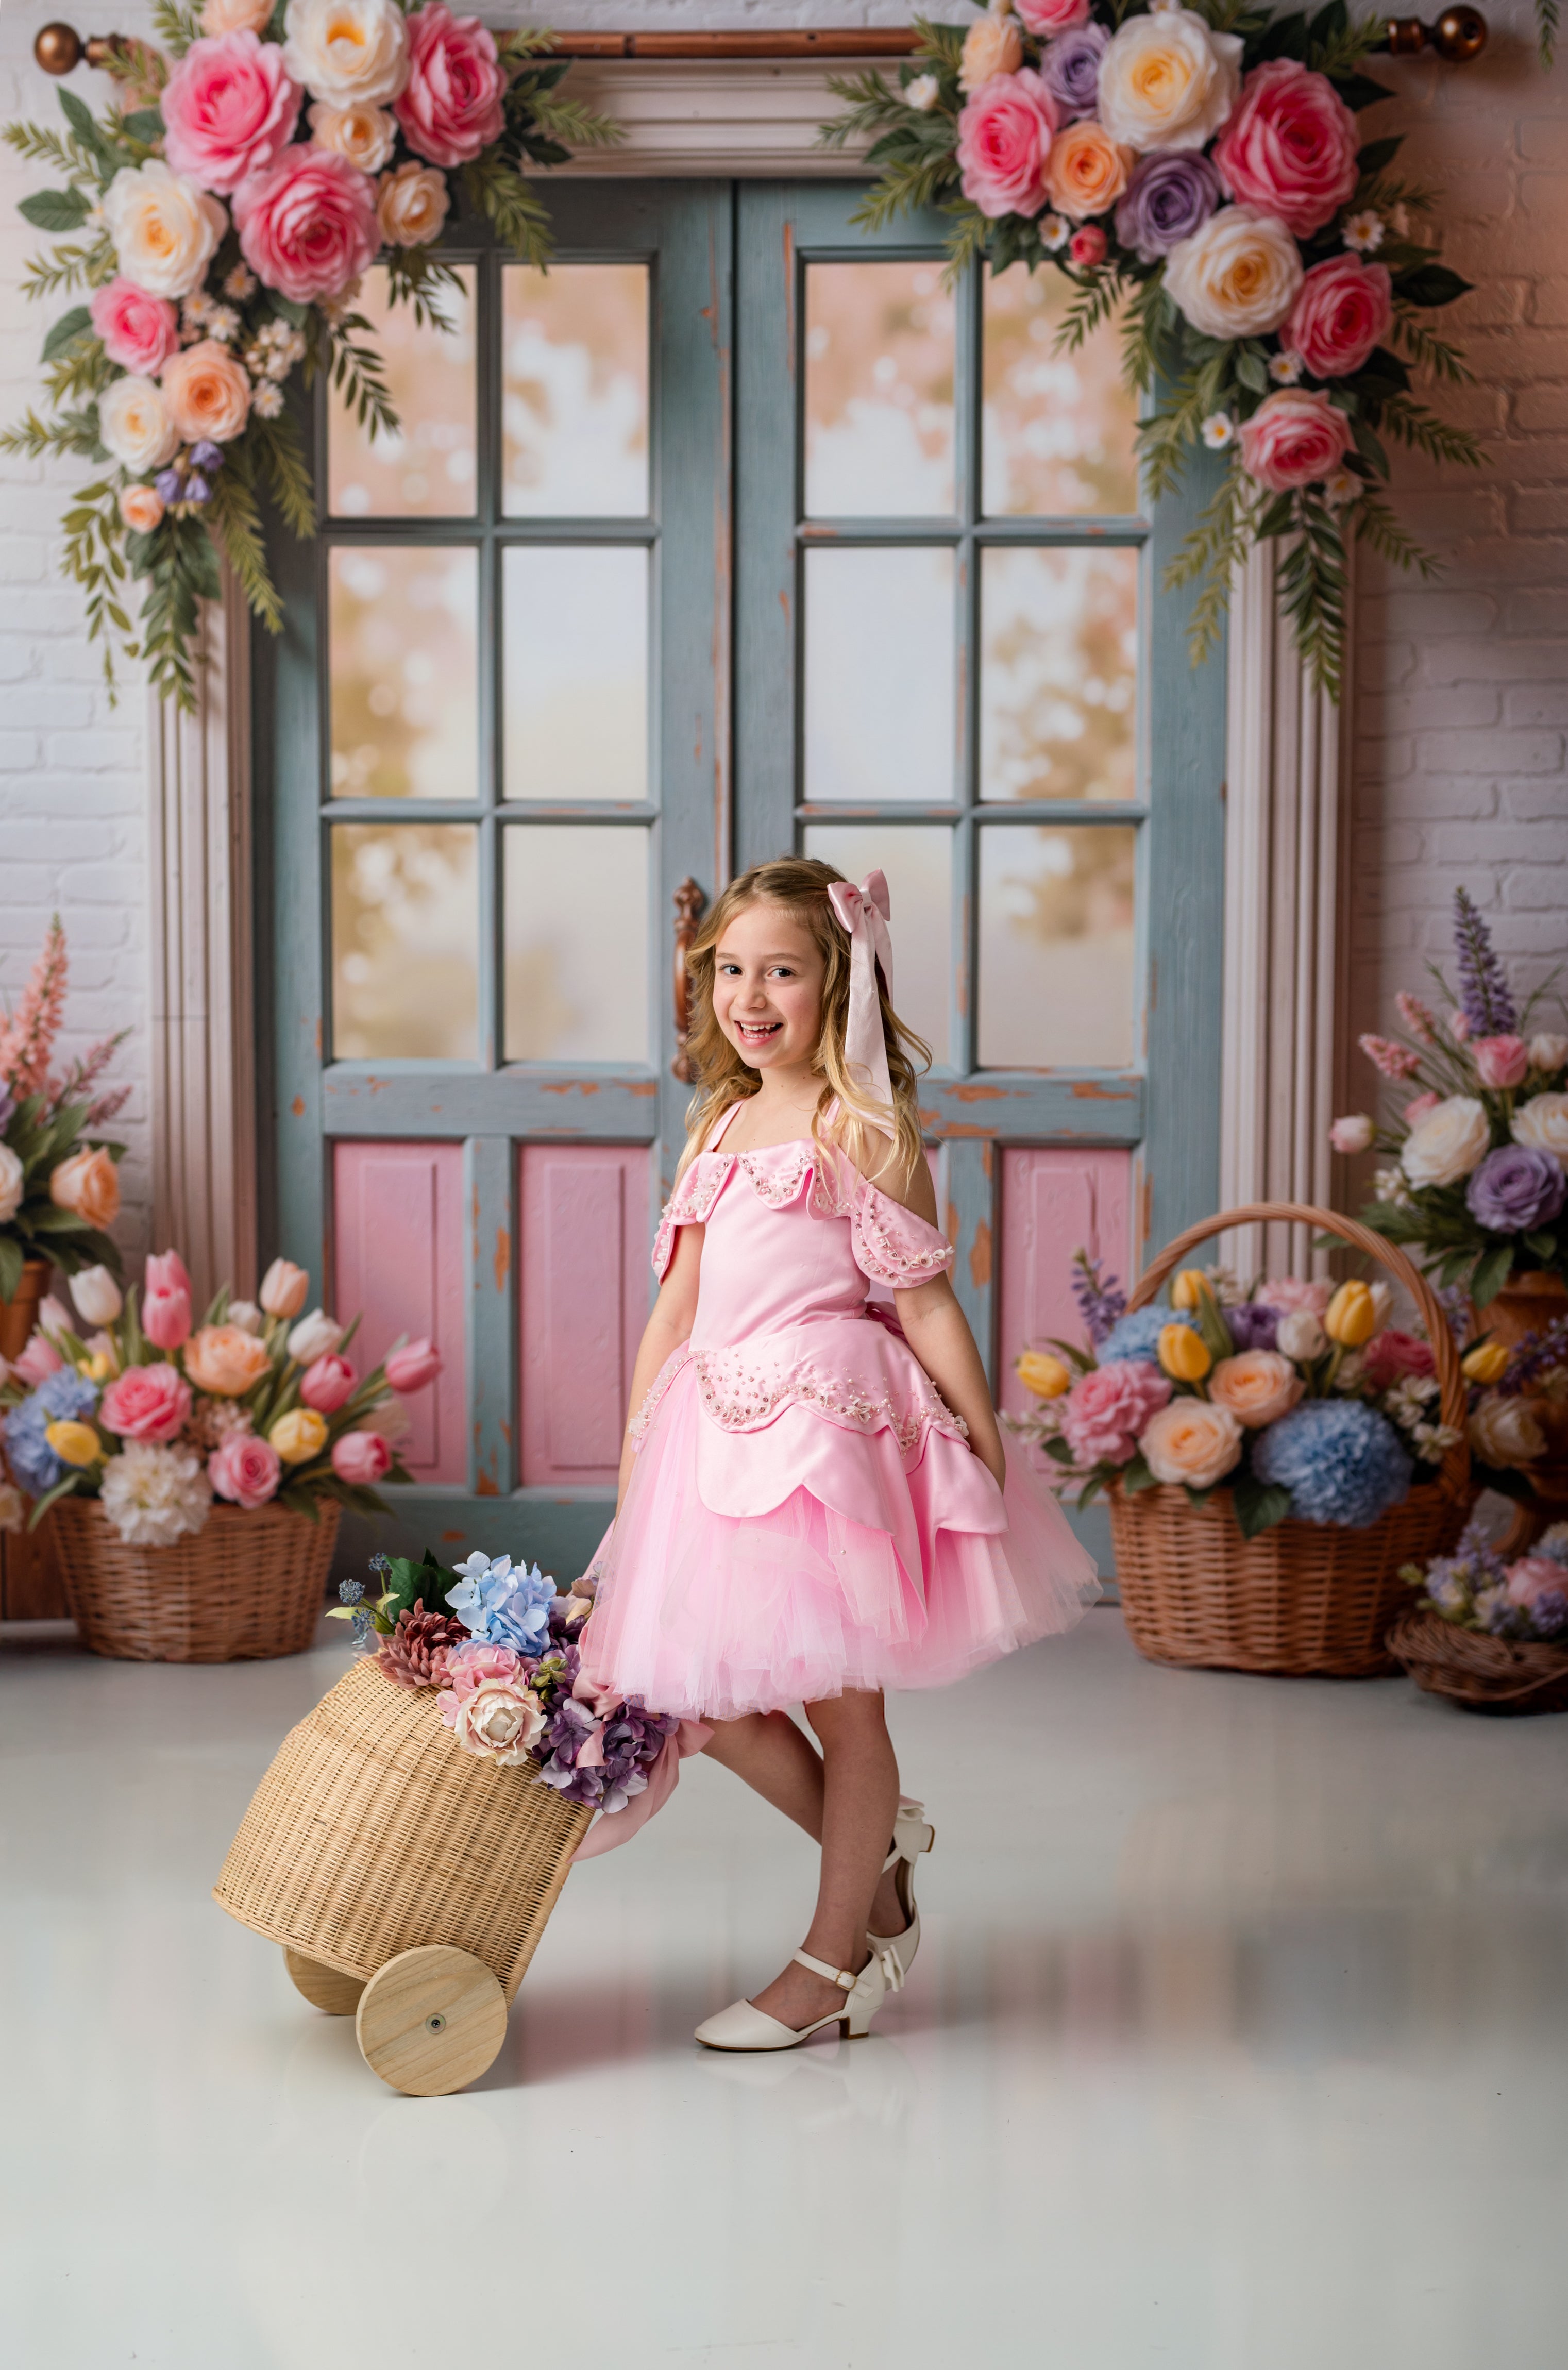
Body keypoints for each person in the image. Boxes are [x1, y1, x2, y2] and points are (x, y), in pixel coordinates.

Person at [578, 856, 1098, 2050]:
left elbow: (922, 1299)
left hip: (819, 1435)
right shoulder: (717, 1122)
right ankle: (878, 1866)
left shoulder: (856, 1124)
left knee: (840, 1708)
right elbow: (677, 1306)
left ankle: (831, 1961)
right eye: (730, 969)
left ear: (840, 979)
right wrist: (637, 1443)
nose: (750, 996)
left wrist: (981, 1431)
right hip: (712, 1436)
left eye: (783, 970)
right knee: (699, 1706)